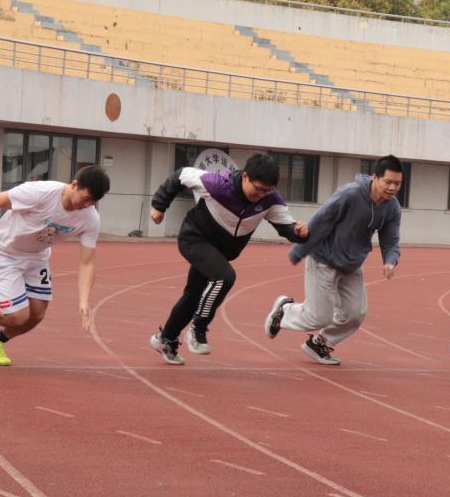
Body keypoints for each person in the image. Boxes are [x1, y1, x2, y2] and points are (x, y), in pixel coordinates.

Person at [147, 153, 308, 364]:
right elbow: (181, 175)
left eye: (267, 191)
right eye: (258, 189)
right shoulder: (218, 184)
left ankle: (165, 339)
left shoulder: (270, 199)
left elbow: (286, 227)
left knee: (193, 296)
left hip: (220, 252)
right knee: (224, 277)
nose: (261, 195)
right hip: (195, 238)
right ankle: (198, 329)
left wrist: (299, 232)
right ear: (245, 177)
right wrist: (159, 205)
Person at [0, 166, 110, 366]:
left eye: (93, 202)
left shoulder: (90, 218)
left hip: (37, 258)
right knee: (18, 316)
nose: (87, 205)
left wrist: (84, 301)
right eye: (85, 199)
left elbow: (87, 261)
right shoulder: (41, 192)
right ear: (74, 185)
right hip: (5, 253)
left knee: (36, 316)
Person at [264, 155, 403, 366]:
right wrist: (299, 251)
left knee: (355, 314)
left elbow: (391, 239)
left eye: (398, 183)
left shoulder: (392, 207)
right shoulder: (351, 194)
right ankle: (285, 312)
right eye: (388, 182)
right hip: (324, 258)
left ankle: (318, 343)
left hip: (352, 264)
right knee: (319, 317)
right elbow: (322, 219)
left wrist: (390, 260)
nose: (393, 188)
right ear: (375, 177)